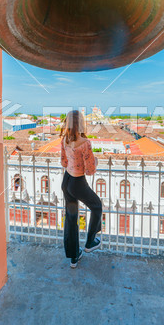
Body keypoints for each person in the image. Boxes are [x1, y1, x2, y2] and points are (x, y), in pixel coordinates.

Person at [60, 110, 102, 268]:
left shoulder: (64, 140)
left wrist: (73, 161)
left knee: (71, 219)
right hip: (77, 182)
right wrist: (95, 161)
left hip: (67, 181)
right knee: (97, 206)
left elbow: (64, 162)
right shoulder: (85, 142)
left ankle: (73, 257)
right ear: (81, 123)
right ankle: (90, 242)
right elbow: (90, 170)